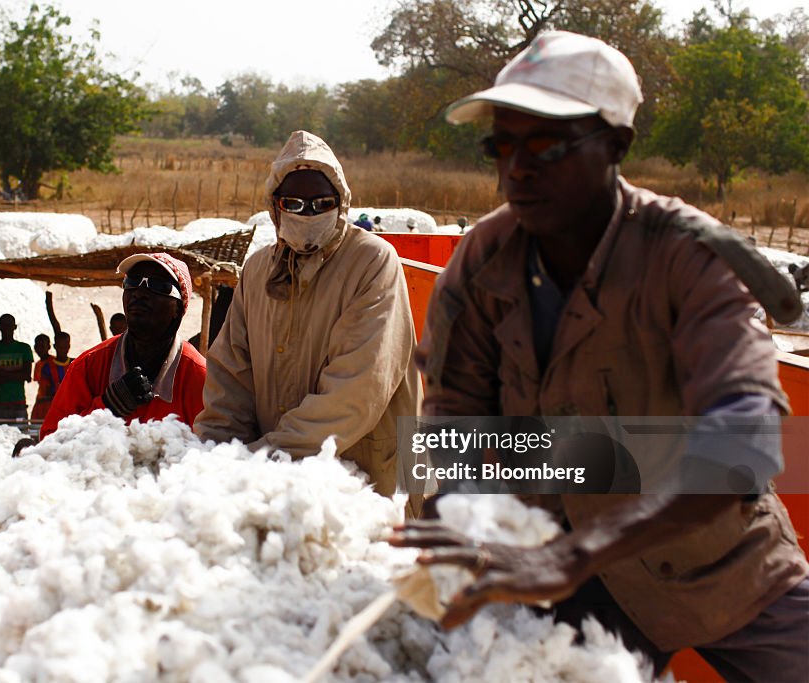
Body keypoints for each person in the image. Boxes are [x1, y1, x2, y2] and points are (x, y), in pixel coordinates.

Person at [398, 31, 809, 681]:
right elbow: (451, 420)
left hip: (721, 569)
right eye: (501, 146)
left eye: (546, 145)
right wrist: (461, 522)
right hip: (577, 590)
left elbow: (747, 443)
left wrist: (575, 550)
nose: (517, 170)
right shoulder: (479, 265)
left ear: (617, 146)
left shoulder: (687, 260)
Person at [195, 130, 419, 497]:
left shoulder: (372, 262)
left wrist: (264, 458)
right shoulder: (256, 271)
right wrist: (216, 454)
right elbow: (231, 376)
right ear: (276, 206)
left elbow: (357, 389)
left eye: (321, 204)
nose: (308, 213)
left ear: (341, 203)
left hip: (371, 471)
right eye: (295, 204)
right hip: (280, 482)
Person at [39, 253, 206, 439]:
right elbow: (50, 440)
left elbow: (216, 457)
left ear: (178, 308)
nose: (139, 293)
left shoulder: (199, 377)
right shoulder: (87, 366)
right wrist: (108, 408)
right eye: (132, 282)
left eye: (159, 286)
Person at [0, 314, 33, 425]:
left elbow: (27, 375)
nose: (7, 329)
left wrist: (1, 373)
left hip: (18, 402)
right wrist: (16, 374)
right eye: (4, 326)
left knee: (21, 435)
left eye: (9, 326)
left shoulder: (24, 349)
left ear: (14, 327)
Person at [32, 331, 73, 422]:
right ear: (55, 347)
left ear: (69, 346)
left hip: (69, 406)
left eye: (65, 347)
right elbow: (45, 390)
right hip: (48, 406)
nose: (62, 350)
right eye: (60, 347)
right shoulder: (46, 367)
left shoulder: (74, 364)